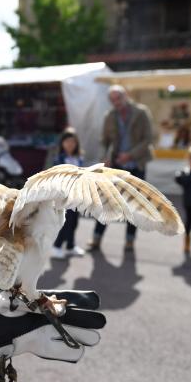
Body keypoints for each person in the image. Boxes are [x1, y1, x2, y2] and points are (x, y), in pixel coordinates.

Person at [86, 84, 154, 253]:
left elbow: (148, 139)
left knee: (134, 206)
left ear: (126, 96)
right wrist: (104, 157)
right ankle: (96, 239)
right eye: (113, 100)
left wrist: (130, 155)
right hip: (116, 166)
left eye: (118, 98)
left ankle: (130, 241)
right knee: (107, 203)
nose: (116, 102)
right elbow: (104, 140)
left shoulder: (141, 112)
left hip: (136, 164)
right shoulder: (110, 115)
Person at [51, 129, 86, 260]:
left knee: (74, 222)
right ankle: (57, 246)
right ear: (62, 143)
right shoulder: (59, 159)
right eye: (67, 141)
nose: (70, 144)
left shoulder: (79, 158)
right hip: (64, 197)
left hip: (77, 196)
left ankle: (70, 246)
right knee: (65, 222)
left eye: (73, 142)